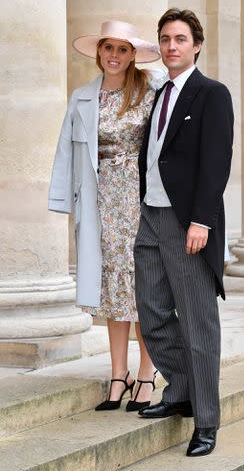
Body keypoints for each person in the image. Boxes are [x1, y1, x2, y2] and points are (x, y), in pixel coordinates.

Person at [48, 20, 163, 412]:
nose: (113, 56)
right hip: (100, 202)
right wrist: (62, 202)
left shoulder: (151, 90)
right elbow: (66, 151)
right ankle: (118, 375)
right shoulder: (83, 97)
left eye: (122, 49)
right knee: (113, 290)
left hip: (143, 200)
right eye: (108, 48)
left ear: (133, 54)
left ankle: (147, 373)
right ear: (98, 52)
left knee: (143, 288)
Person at [134, 8, 234, 456]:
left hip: (186, 221)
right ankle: (180, 390)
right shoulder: (159, 93)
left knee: (198, 324)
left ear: (196, 45)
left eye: (180, 39)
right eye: (165, 39)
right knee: (152, 313)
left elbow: (216, 162)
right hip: (150, 216)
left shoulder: (212, 94)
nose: (171, 46)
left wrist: (202, 221)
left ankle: (206, 421)